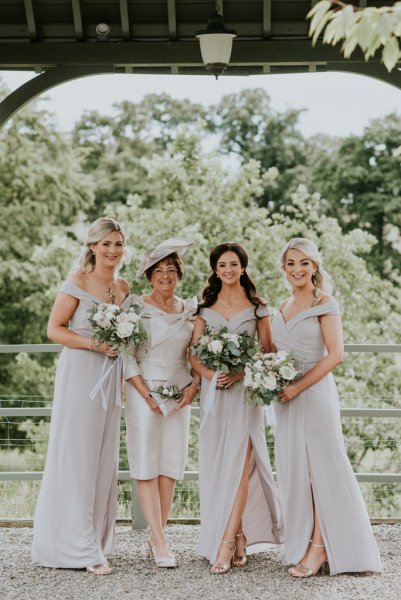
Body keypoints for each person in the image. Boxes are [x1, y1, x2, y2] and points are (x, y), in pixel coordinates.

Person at [272, 237, 382, 577]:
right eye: (291, 263)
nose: (297, 269)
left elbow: (335, 354)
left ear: (315, 266)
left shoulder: (325, 302)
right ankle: (305, 541)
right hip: (285, 400)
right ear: (284, 268)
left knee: (323, 468)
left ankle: (320, 549)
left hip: (314, 395)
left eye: (304, 262)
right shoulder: (283, 305)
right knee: (298, 471)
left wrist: (297, 387)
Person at [32, 217, 129, 575]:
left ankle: (95, 539)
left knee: (103, 456)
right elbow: (54, 329)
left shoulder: (123, 286)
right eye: (105, 243)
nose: (112, 250)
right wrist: (95, 343)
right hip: (80, 374)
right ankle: (76, 548)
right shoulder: (77, 281)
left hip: (109, 378)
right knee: (77, 454)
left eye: (118, 243)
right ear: (92, 246)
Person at [189, 242, 283, 575]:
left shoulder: (258, 306)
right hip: (215, 396)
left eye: (234, 264)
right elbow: (192, 353)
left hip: (245, 395)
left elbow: (269, 351)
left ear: (243, 267)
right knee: (220, 464)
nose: (228, 270)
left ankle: (226, 543)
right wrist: (211, 375)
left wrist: (241, 372)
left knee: (242, 465)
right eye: (222, 265)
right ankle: (240, 534)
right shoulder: (204, 307)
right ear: (215, 270)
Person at [124, 239, 199, 568]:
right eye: (159, 271)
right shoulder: (136, 309)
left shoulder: (191, 311)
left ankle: (158, 535)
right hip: (144, 392)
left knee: (170, 464)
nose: (165, 276)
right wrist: (144, 394)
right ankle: (160, 539)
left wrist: (195, 385)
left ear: (179, 274)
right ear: (149, 277)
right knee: (146, 463)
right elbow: (125, 358)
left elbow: (195, 356)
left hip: (180, 392)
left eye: (171, 270)